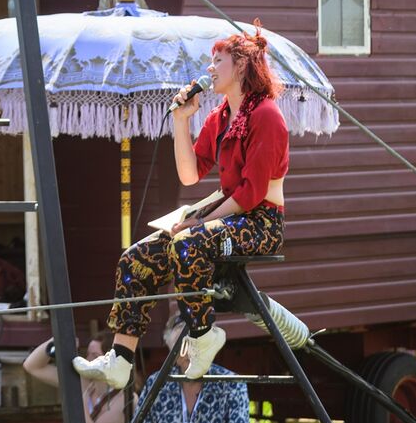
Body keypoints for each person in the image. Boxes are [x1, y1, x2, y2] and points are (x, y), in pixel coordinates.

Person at [73, 21, 288, 386]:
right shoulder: (221, 116)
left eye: (217, 60)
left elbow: (251, 194)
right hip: (226, 214)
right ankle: (121, 360)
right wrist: (180, 121)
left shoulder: (266, 115)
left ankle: (204, 336)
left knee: (188, 242)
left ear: (240, 66)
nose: (209, 69)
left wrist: (197, 223)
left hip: (261, 222)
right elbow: (190, 174)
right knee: (136, 257)